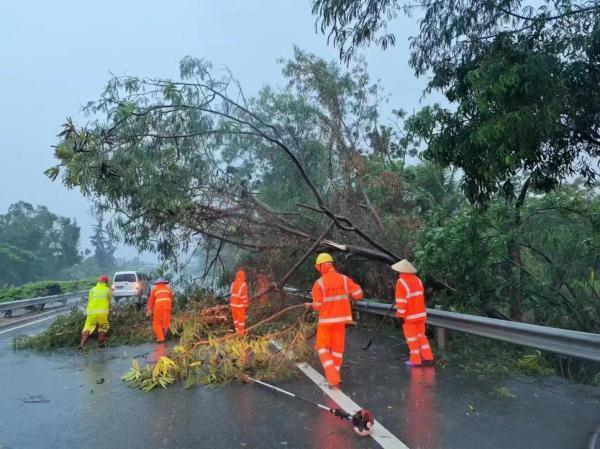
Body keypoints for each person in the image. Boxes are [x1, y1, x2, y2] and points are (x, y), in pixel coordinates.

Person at [309, 253, 363, 387]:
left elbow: (318, 306)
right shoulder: (344, 279)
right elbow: (358, 294)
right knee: (337, 349)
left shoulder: (319, 284)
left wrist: (311, 305)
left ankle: (332, 376)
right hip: (341, 321)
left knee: (322, 347)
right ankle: (336, 376)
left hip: (326, 322)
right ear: (331, 264)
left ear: (321, 267)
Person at [392, 259, 434, 366]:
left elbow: (402, 301)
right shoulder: (418, 280)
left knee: (412, 338)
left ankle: (415, 360)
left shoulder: (401, 282)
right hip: (420, 314)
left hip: (409, 316)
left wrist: (400, 315)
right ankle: (428, 357)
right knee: (421, 336)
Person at [79, 275, 111, 349]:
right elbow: (109, 300)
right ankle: (100, 343)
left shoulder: (92, 290)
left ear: (98, 282)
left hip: (91, 312)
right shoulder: (107, 290)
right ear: (106, 282)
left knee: (88, 327)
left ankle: (82, 343)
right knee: (103, 327)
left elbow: (90, 300)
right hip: (102, 313)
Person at [146, 278, 174, 343]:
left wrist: (149, 310)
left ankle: (161, 338)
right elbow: (172, 297)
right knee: (166, 322)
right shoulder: (168, 288)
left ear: (156, 283)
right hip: (168, 306)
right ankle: (165, 336)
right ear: (164, 283)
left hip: (159, 307)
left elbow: (151, 301)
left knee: (156, 323)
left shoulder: (154, 289)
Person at [230, 270, 249, 335]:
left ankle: (237, 331)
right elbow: (244, 296)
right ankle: (241, 333)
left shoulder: (233, 283)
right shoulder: (243, 284)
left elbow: (231, 293)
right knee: (241, 319)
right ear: (243, 276)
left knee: (235, 319)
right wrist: (246, 303)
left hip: (232, 305)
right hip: (239, 305)